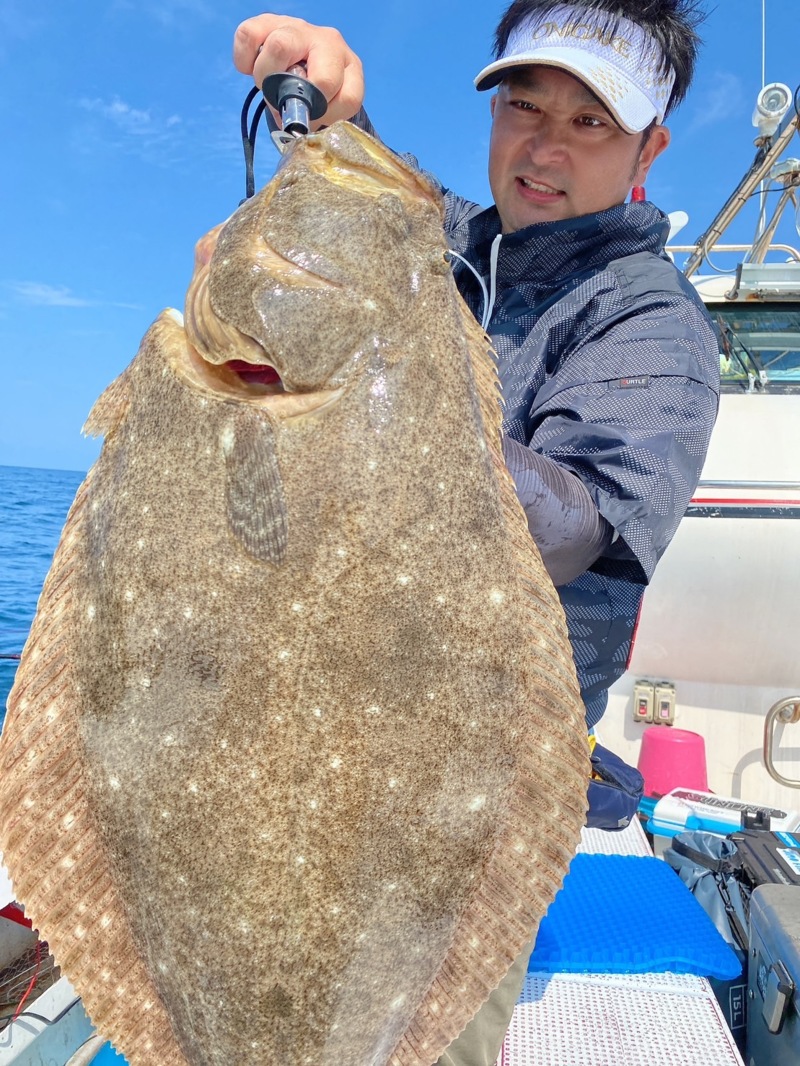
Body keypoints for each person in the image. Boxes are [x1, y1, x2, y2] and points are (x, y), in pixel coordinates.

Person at [234, 3, 719, 1063]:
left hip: (476, 794)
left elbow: (566, 522)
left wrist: (348, 382)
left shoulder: (650, 322)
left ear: (650, 148)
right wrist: (325, 112)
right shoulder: (448, 238)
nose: (543, 148)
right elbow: (362, 196)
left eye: (590, 124)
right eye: (522, 105)